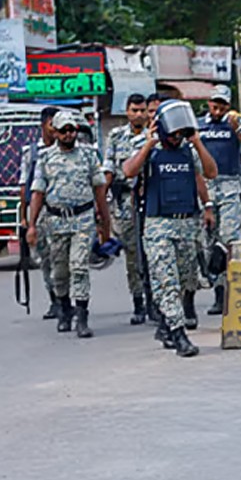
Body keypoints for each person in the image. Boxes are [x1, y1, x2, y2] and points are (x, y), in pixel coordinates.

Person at [122, 101, 219, 356]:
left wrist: (197, 142)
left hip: (187, 224)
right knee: (167, 280)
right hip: (158, 225)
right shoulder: (148, 149)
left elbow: (210, 173)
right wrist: (148, 144)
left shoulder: (189, 151)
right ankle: (178, 334)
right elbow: (129, 171)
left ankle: (166, 324)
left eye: (180, 133)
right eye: (173, 133)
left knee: (187, 280)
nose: (177, 138)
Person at [26, 111, 112, 338]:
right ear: (55, 132)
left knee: (79, 267)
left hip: (82, 219)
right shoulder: (45, 158)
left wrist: (105, 222)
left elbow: (99, 190)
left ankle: (82, 317)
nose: (68, 134)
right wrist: (31, 225)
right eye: (63, 130)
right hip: (55, 221)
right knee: (60, 271)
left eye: (71, 130)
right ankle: (64, 309)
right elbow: (37, 192)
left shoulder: (88, 155)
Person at [197, 84, 241, 317]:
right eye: (215, 103)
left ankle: (232, 291)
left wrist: (239, 130)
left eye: (223, 104)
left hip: (230, 184)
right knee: (208, 241)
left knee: (229, 237)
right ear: (209, 103)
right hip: (206, 186)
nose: (218, 108)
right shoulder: (199, 125)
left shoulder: (236, 125)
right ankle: (219, 291)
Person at [103, 94, 151, 324]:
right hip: (125, 203)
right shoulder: (116, 136)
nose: (139, 114)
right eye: (135, 110)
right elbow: (108, 169)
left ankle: (155, 301)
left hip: (150, 200)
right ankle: (138, 302)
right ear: (127, 111)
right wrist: (100, 203)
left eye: (142, 110)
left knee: (153, 254)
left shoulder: (154, 135)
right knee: (133, 255)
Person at [19, 106, 60, 321]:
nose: (56, 129)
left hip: (61, 211)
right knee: (45, 259)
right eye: (52, 124)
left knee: (63, 258)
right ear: (43, 125)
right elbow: (24, 185)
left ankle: (67, 299)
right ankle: (55, 300)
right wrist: (24, 218)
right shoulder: (32, 153)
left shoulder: (68, 149)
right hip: (40, 212)